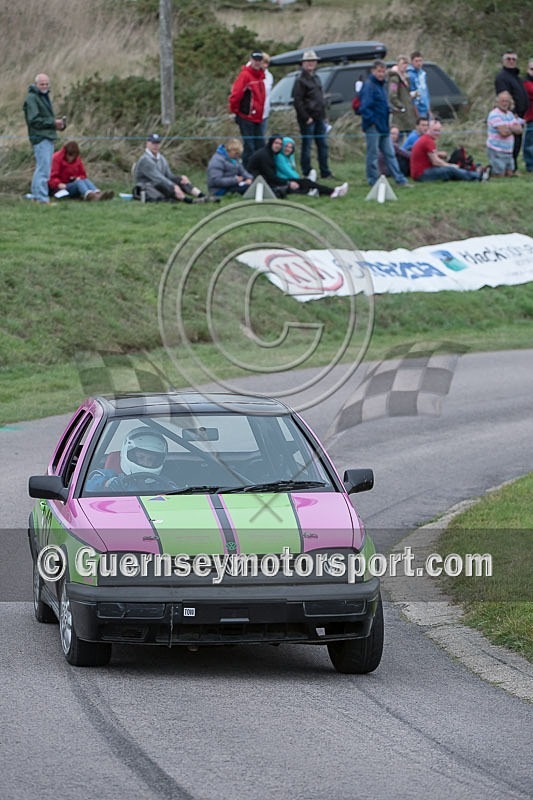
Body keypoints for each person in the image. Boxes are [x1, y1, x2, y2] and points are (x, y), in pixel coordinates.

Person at [359, 60, 411, 187]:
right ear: (373, 71)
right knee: (373, 154)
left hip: (384, 125)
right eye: (378, 71)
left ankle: (400, 179)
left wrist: (390, 110)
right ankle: (373, 180)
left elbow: (382, 104)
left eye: (383, 71)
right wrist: (372, 122)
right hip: (374, 126)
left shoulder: (382, 85)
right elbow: (365, 107)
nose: (381, 74)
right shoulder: (369, 86)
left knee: (390, 153)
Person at [85, 427, 178, 493]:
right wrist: (106, 484)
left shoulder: (162, 483)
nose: (145, 462)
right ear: (128, 453)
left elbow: (177, 495)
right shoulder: (108, 475)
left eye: (150, 459)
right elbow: (86, 488)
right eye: (141, 457)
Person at [23, 73, 66, 205]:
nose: (45, 86)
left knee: (43, 168)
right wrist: (53, 123)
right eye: (42, 84)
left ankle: (37, 196)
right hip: (40, 138)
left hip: (47, 136)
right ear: (36, 84)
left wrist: (57, 125)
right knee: (44, 169)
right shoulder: (32, 98)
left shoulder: (42, 97)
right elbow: (34, 120)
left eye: (47, 84)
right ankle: (41, 198)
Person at [133, 133, 215, 203]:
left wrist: (180, 178)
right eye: (153, 143)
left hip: (159, 183)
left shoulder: (161, 158)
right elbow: (158, 178)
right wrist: (174, 186)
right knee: (166, 184)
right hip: (147, 187)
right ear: (147, 144)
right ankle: (189, 201)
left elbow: (169, 175)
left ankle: (202, 196)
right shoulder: (145, 160)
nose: (156, 146)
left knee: (179, 180)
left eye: (157, 143)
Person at [292, 49, 333, 179]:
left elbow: (320, 98)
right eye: (308, 61)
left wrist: (324, 116)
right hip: (308, 118)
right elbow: (297, 101)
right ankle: (307, 171)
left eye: (313, 61)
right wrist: (306, 117)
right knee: (307, 145)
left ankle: (325, 171)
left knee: (323, 145)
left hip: (319, 116)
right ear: (303, 63)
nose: (311, 63)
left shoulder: (316, 78)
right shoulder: (300, 80)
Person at [411, 118, 489, 182]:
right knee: (450, 170)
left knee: (450, 168)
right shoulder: (427, 141)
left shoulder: (425, 139)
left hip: (422, 171)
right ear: (429, 129)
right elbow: (435, 162)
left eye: (439, 131)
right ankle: (478, 176)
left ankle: (474, 172)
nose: (438, 133)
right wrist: (451, 166)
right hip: (421, 174)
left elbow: (430, 156)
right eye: (435, 130)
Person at [275, 136, 348, 198]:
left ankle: (328, 192)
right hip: (284, 181)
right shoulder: (279, 157)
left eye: (290, 147)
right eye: (286, 146)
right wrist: (299, 179)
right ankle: (333, 191)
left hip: (288, 179)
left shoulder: (288, 158)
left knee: (308, 183)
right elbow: (287, 171)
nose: (288, 149)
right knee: (307, 182)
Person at [229, 51, 266, 169]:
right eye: (255, 59)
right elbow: (236, 94)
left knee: (260, 146)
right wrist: (235, 110)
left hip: (258, 117)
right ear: (251, 60)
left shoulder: (260, 76)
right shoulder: (245, 75)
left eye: (259, 60)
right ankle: (247, 172)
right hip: (246, 117)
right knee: (249, 147)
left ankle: (258, 171)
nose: (257, 62)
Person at [494, 51, 529, 171]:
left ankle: (513, 167)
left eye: (513, 59)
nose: (511, 61)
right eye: (508, 59)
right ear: (503, 61)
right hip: (510, 115)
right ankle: (509, 167)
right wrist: (510, 113)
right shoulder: (502, 77)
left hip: (521, 115)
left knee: (517, 141)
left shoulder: (516, 77)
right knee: (510, 142)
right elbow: (503, 97)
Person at [48, 141, 114, 200]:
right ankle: (90, 196)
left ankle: (97, 193)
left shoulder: (77, 160)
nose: (71, 158)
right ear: (65, 152)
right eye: (69, 155)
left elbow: (83, 174)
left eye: (73, 156)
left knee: (84, 180)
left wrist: (77, 177)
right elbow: (51, 176)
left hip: (71, 183)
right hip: (60, 187)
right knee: (78, 182)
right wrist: (58, 184)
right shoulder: (56, 158)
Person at [486, 91, 525, 178]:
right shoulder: (494, 114)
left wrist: (509, 128)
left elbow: (519, 130)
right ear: (497, 102)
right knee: (499, 175)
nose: (505, 103)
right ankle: (486, 172)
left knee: (509, 174)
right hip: (496, 149)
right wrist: (512, 128)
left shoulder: (510, 114)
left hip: (508, 150)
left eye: (507, 101)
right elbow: (504, 133)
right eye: (502, 101)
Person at [388, 55, 418, 138]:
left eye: (406, 63)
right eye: (402, 63)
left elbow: (406, 93)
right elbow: (392, 95)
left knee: (410, 136)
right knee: (399, 138)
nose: (404, 66)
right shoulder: (395, 78)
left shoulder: (406, 77)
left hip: (409, 113)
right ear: (398, 64)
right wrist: (401, 106)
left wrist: (412, 95)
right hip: (400, 114)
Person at [407, 51, 431, 119]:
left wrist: (429, 108)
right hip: (417, 108)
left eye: (420, 61)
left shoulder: (423, 74)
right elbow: (411, 94)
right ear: (412, 62)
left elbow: (426, 92)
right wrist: (416, 111)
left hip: (425, 106)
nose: (419, 63)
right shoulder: (410, 75)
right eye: (416, 61)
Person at [261, 53, 274, 138]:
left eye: (267, 63)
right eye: (263, 62)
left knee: (261, 138)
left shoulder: (269, 76)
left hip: (264, 112)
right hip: (251, 114)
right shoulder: (247, 74)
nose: (265, 65)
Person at [524, 59, 533, 172]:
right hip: (531, 117)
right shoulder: (526, 82)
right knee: (530, 144)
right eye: (532, 69)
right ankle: (530, 166)